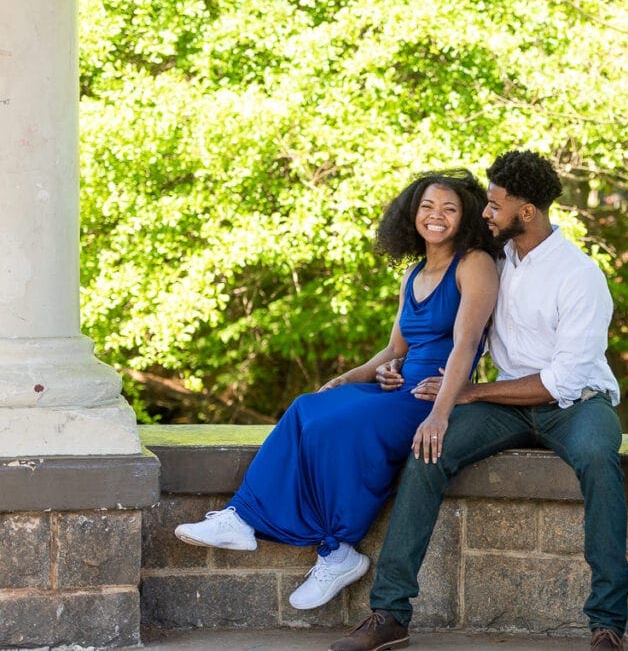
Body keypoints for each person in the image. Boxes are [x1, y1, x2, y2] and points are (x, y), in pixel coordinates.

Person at [331, 150, 628, 651]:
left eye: (493, 206)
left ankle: (607, 624)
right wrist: (398, 367)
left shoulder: (580, 276)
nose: (484, 214)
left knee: (601, 459)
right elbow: (447, 332)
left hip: (576, 404)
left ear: (527, 212)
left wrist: (471, 393)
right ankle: (389, 614)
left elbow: (561, 379)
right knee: (428, 452)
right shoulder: (494, 262)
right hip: (505, 405)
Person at [173, 170, 499, 611]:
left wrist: (441, 413)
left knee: (343, 428)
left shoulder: (473, 263)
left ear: (465, 218)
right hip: (398, 387)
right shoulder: (414, 274)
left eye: (449, 208)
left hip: (431, 396)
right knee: (309, 408)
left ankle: (335, 547)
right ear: (411, 214)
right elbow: (393, 348)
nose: (435, 216)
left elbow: (466, 344)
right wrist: (350, 377)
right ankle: (241, 518)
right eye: (427, 207)